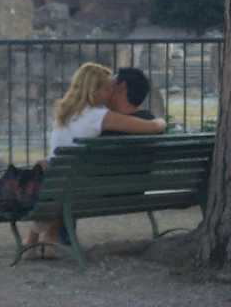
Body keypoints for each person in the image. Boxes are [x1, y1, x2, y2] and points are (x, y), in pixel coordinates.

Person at [24, 62, 165, 258]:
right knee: (63, 178)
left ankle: (36, 239)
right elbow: (154, 127)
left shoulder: (66, 115)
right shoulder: (102, 117)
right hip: (97, 190)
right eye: (107, 88)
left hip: (67, 186)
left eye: (112, 88)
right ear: (94, 90)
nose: (110, 92)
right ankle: (48, 238)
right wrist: (161, 121)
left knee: (56, 174)